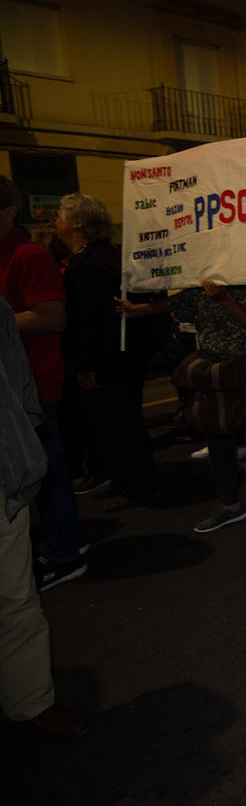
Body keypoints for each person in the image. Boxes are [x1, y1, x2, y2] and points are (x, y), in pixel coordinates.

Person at [0, 296, 86, 739]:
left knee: (15, 596)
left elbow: (17, 380)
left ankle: (31, 700)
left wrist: (22, 449)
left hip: (3, 480)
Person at [0, 177, 84, 590]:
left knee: (44, 471)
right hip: (15, 387)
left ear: (8, 211)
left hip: (31, 387)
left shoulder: (28, 256)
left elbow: (52, 317)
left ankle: (63, 551)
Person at [54, 193, 157, 505]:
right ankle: (128, 479)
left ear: (76, 224)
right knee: (122, 421)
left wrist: (87, 364)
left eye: (60, 217)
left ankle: (135, 484)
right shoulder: (109, 257)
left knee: (117, 423)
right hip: (123, 355)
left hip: (107, 359)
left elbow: (92, 319)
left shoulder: (89, 266)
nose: (56, 223)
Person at [171, 281, 246, 534]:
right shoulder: (204, 283)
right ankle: (230, 504)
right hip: (214, 366)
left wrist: (224, 299)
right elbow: (182, 310)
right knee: (216, 435)